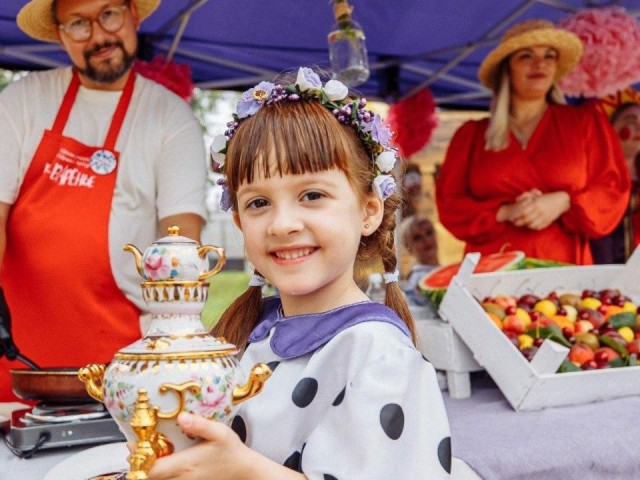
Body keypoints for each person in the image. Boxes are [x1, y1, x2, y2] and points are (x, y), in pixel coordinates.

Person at [146, 67, 452, 479]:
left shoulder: (377, 355)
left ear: (369, 210)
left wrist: (241, 470)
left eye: (311, 195)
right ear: (239, 223)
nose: (282, 224)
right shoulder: (251, 333)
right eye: (258, 203)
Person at [0, 0, 207, 401]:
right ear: (60, 33)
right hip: (13, 355)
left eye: (108, 14)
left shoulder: (170, 118)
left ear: (134, 15)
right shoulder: (22, 101)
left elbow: (182, 246)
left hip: (121, 364)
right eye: (78, 23)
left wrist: (178, 344)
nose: (98, 35)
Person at [436, 19, 631, 265]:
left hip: (565, 274)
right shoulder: (472, 135)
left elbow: (613, 190)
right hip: (490, 273)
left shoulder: (585, 124)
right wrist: (505, 212)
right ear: (508, 68)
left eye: (549, 56)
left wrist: (565, 201)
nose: (540, 63)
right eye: (526, 56)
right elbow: (450, 205)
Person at [591, 102, 640, 263]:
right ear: (611, 128)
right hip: (601, 262)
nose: (638, 128)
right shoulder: (591, 172)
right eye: (631, 121)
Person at [399, 215, 439, 308]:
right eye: (417, 237)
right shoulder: (418, 278)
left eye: (429, 232)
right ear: (408, 246)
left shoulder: (440, 270)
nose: (426, 240)